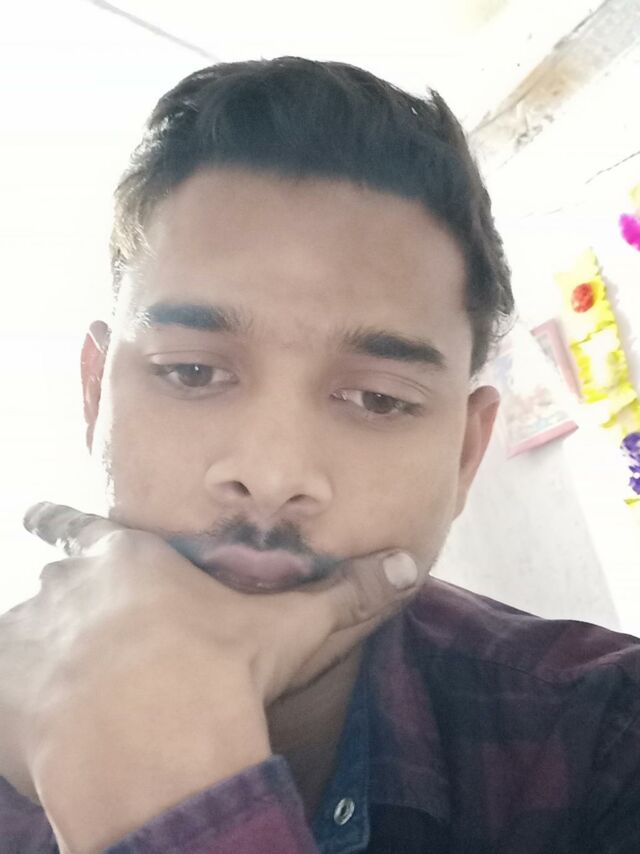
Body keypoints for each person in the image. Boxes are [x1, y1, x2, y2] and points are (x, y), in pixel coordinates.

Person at [1, 56, 638, 854]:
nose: (272, 478)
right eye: (192, 372)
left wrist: (181, 820)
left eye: (377, 399)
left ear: (465, 456)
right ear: (96, 396)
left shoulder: (611, 737)